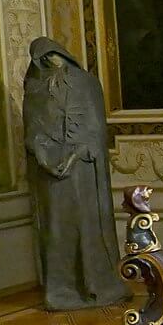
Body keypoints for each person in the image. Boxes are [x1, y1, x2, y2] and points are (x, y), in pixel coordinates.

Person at [22, 37, 127, 310]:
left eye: (52, 55)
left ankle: (98, 284)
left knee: (89, 226)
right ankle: (61, 291)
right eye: (43, 59)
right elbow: (32, 132)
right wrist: (47, 158)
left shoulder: (86, 83)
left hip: (83, 170)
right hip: (51, 175)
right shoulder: (34, 89)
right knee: (58, 229)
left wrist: (75, 154)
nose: (50, 62)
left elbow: (95, 128)